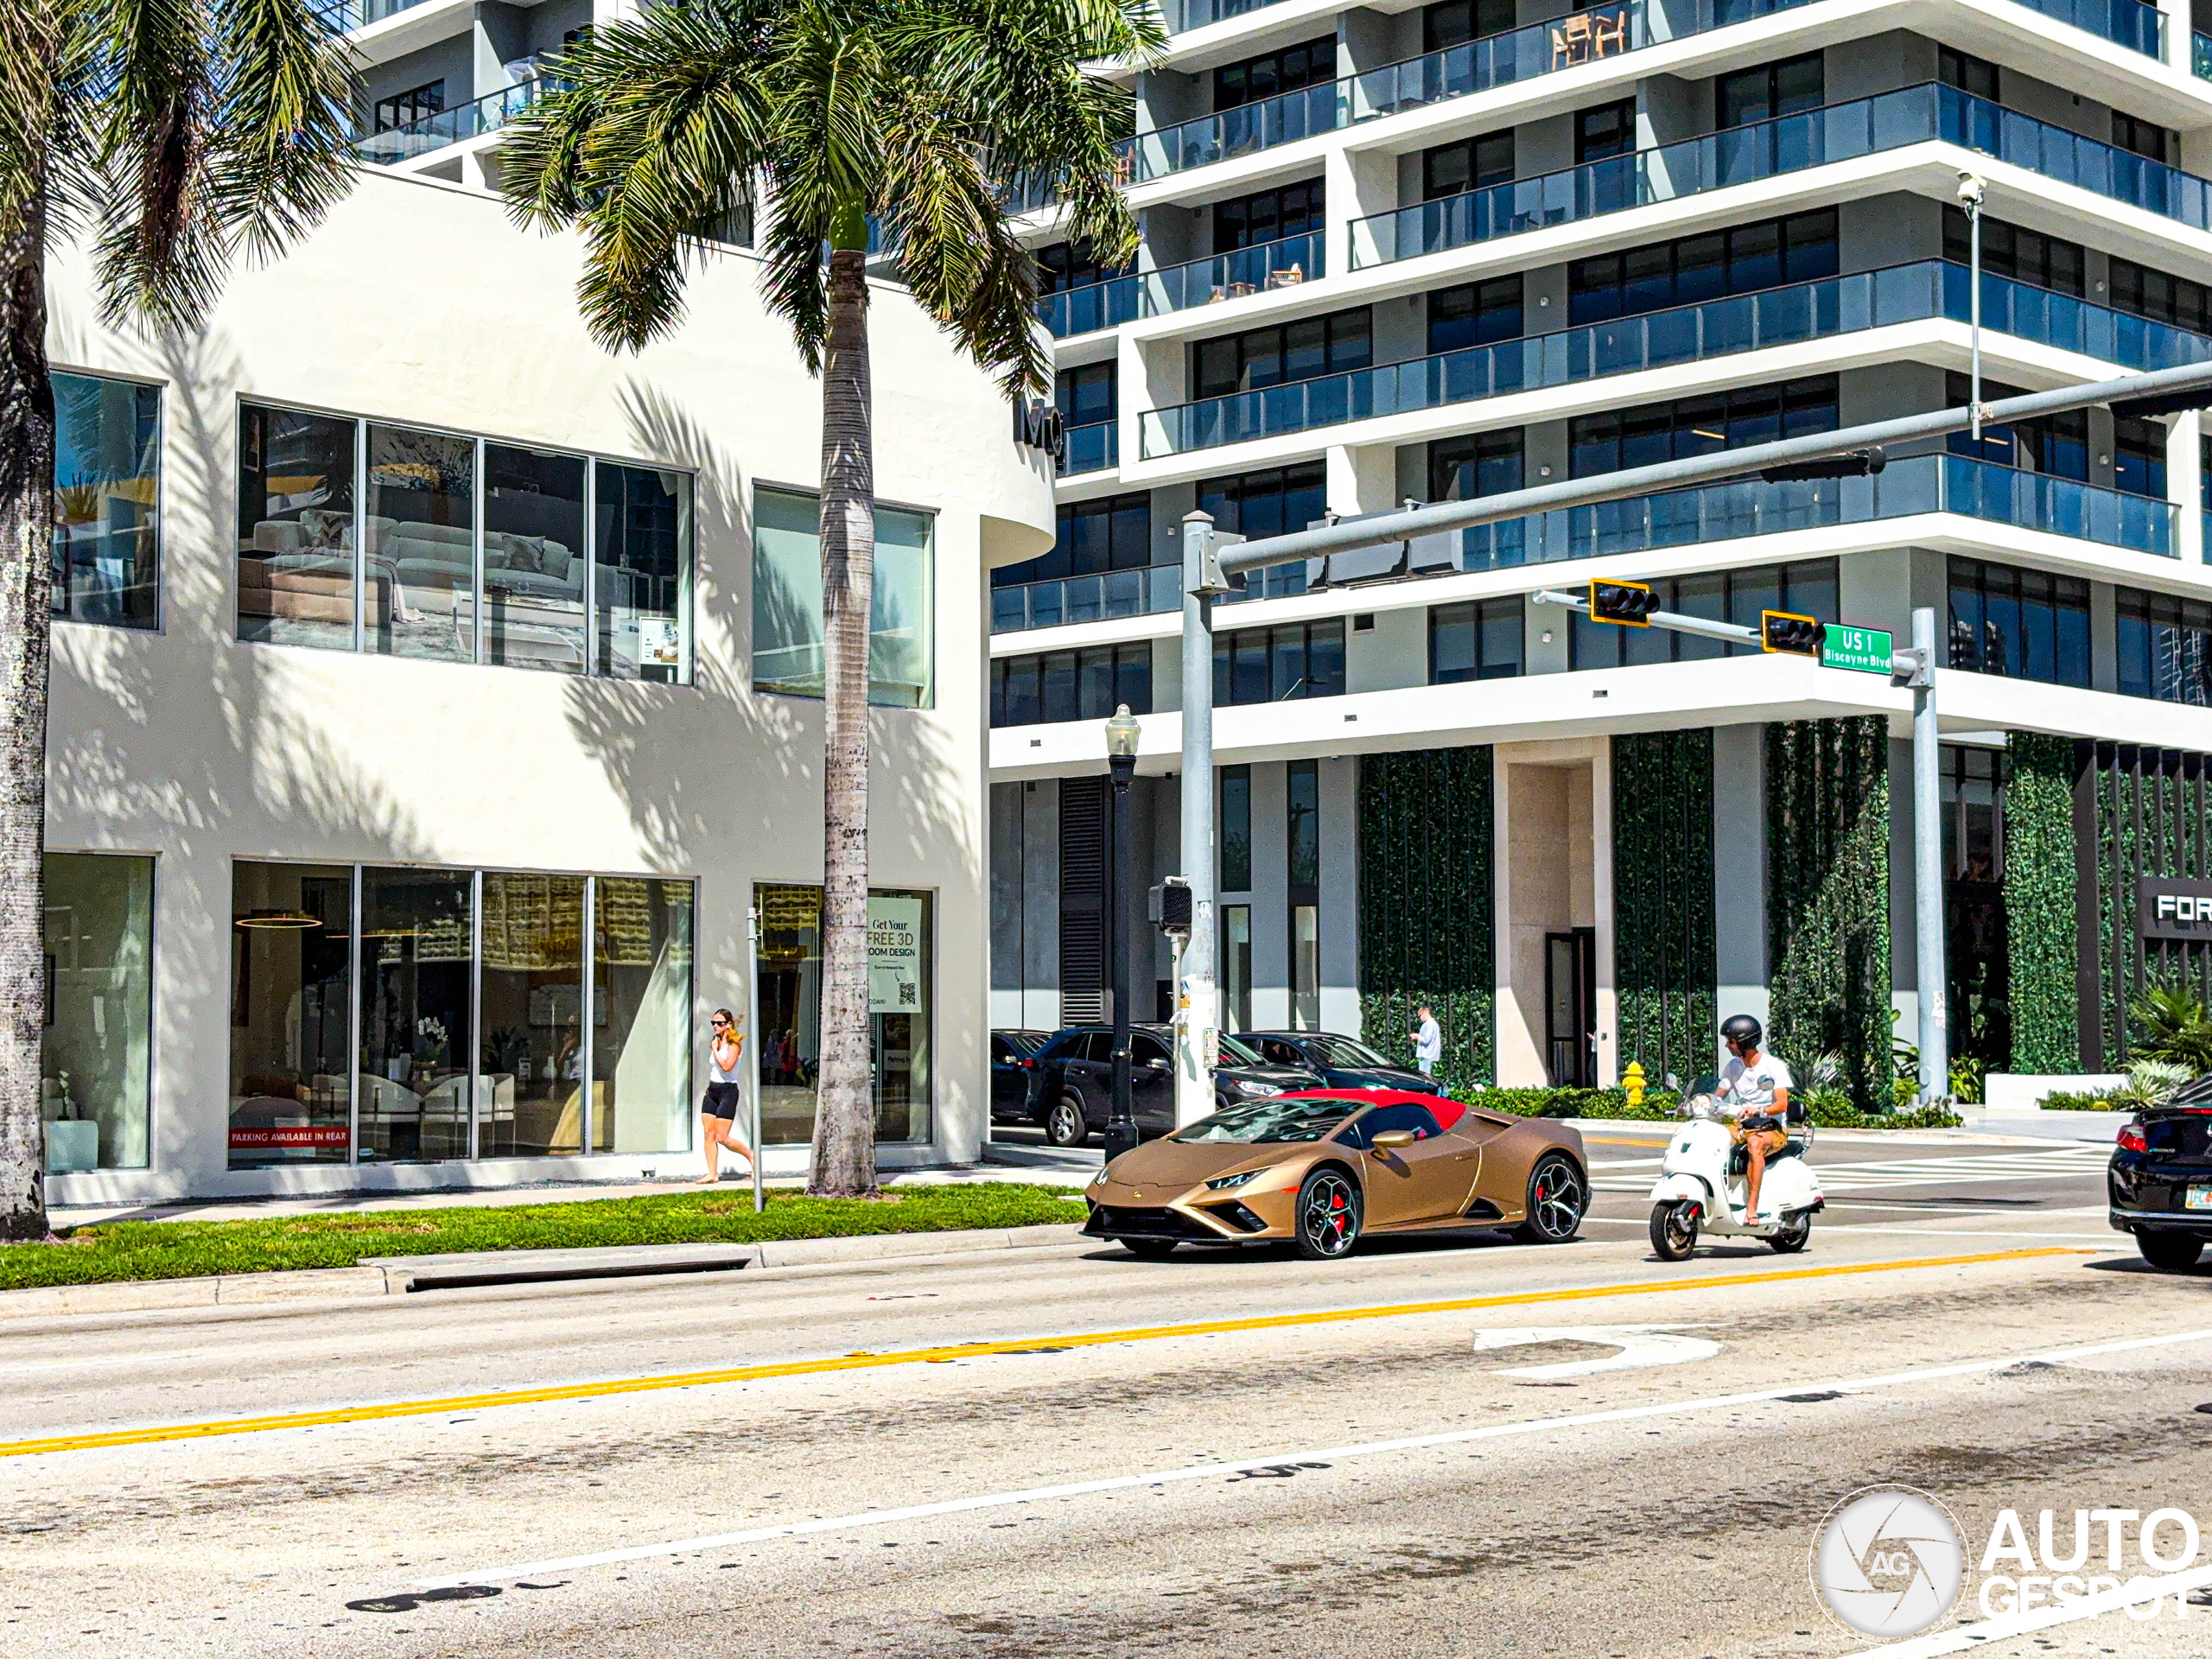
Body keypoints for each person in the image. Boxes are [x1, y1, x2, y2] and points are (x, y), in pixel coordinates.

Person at [1714, 1013, 1793, 1222]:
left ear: (1745, 1043)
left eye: (1731, 1042)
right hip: (1741, 1124)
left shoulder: (1773, 1066)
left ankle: (1751, 1207)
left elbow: (1782, 1104)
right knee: (1711, 1138)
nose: (1727, 1046)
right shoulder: (1733, 1067)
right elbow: (1718, 1095)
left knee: (1754, 1144)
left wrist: (1760, 1110)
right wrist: (1701, 1104)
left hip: (1771, 1127)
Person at [696, 1007, 756, 1185]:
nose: (715, 1026)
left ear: (728, 1024)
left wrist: (715, 1050)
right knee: (708, 1133)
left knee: (722, 1137)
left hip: (728, 1091)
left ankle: (751, 1156)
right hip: (712, 1090)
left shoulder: (734, 1044)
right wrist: (715, 1046)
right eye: (713, 1023)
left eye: (719, 1023)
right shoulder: (716, 1041)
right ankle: (712, 1174)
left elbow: (727, 1067)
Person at [1409, 1006, 1442, 1077]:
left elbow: (1426, 1040)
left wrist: (1417, 1036)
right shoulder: (1432, 1024)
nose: (1419, 1018)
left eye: (1420, 1016)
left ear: (1424, 1013)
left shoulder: (1430, 1024)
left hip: (1427, 1055)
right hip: (1428, 1055)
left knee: (1425, 1077)